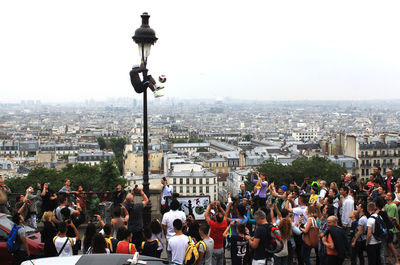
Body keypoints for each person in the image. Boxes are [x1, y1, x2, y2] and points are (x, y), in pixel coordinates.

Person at [124, 186, 149, 251]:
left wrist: (131, 193)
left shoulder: (125, 207)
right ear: (133, 200)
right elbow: (146, 200)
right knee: (139, 246)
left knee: (131, 247)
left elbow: (125, 201)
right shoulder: (138, 206)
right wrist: (141, 191)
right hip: (138, 230)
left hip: (130, 230)